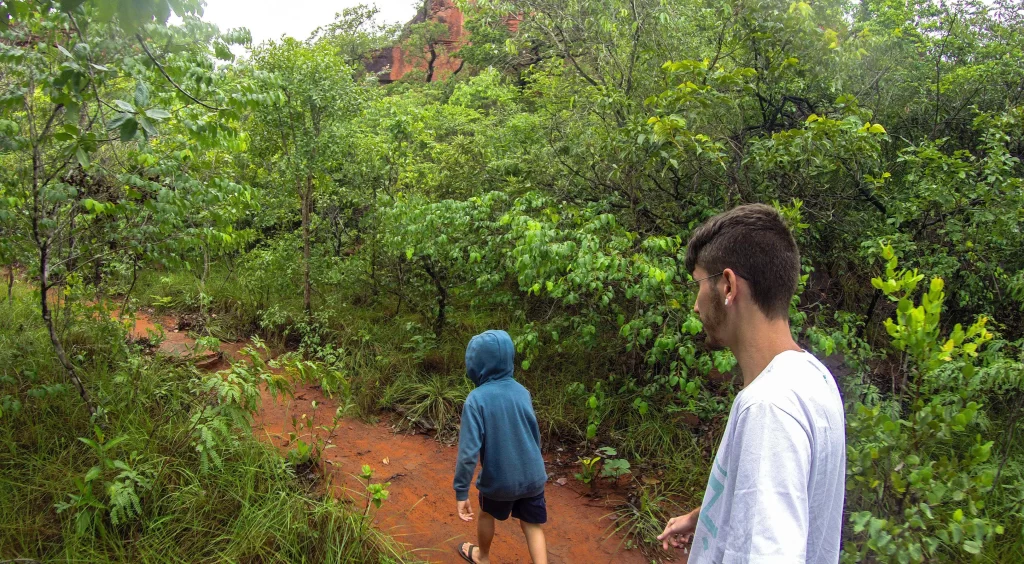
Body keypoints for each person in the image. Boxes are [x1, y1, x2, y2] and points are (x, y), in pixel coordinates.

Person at [658, 204, 846, 563]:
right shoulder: (814, 377)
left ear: (727, 286)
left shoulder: (768, 408)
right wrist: (707, 517)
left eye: (699, 284)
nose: (696, 306)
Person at [453, 329, 549, 564]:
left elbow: (468, 453)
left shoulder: (476, 399)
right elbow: (533, 435)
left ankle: (482, 556)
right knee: (532, 524)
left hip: (499, 482)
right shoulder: (522, 392)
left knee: (486, 514)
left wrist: (461, 490)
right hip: (533, 477)